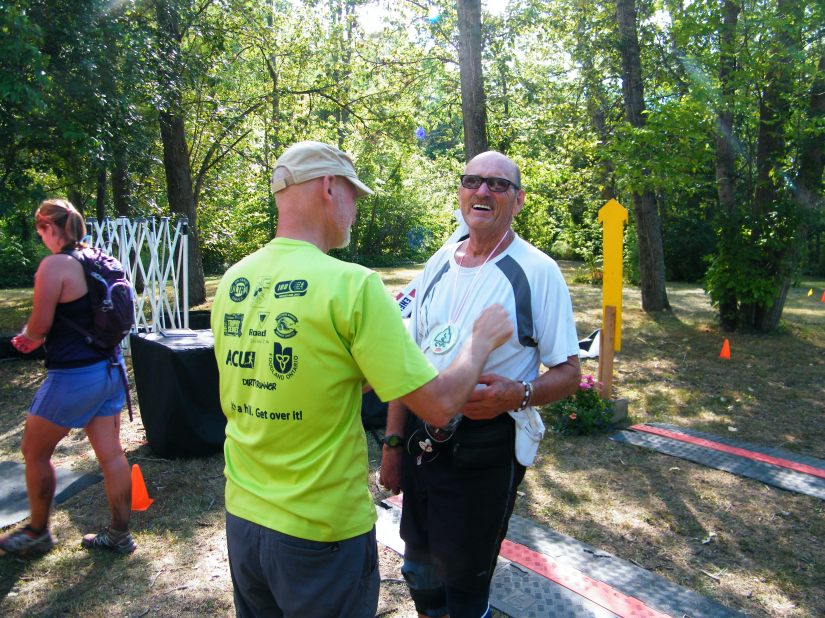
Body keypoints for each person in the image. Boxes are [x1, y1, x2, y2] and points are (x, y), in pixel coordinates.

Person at [210, 141, 514, 618]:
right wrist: (480, 341)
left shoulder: (234, 280)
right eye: (354, 195)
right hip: (321, 534)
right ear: (330, 187)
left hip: (244, 522)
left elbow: (286, 377)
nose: (354, 210)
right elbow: (437, 407)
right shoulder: (352, 284)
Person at [380, 151, 582, 618]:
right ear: (460, 192)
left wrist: (520, 394)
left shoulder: (535, 271)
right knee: (418, 568)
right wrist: (392, 445)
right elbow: (405, 362)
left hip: (484, 446)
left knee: (466, 581)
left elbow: (570, 372)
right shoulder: (438, 263)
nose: (483, 191)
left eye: (498, 185)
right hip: (420, 439)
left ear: (519, 200)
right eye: (473, 181)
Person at [0, 199, 135, 557]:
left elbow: (40, 327)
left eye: (39, 230)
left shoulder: (55, 265)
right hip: (110, 369)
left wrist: (24, 339)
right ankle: (120, 535)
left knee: (33, 450)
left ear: (49, 226)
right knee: (111, 455)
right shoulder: (101, 258)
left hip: (75, 375)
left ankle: (37, 533)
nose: (40, 237)